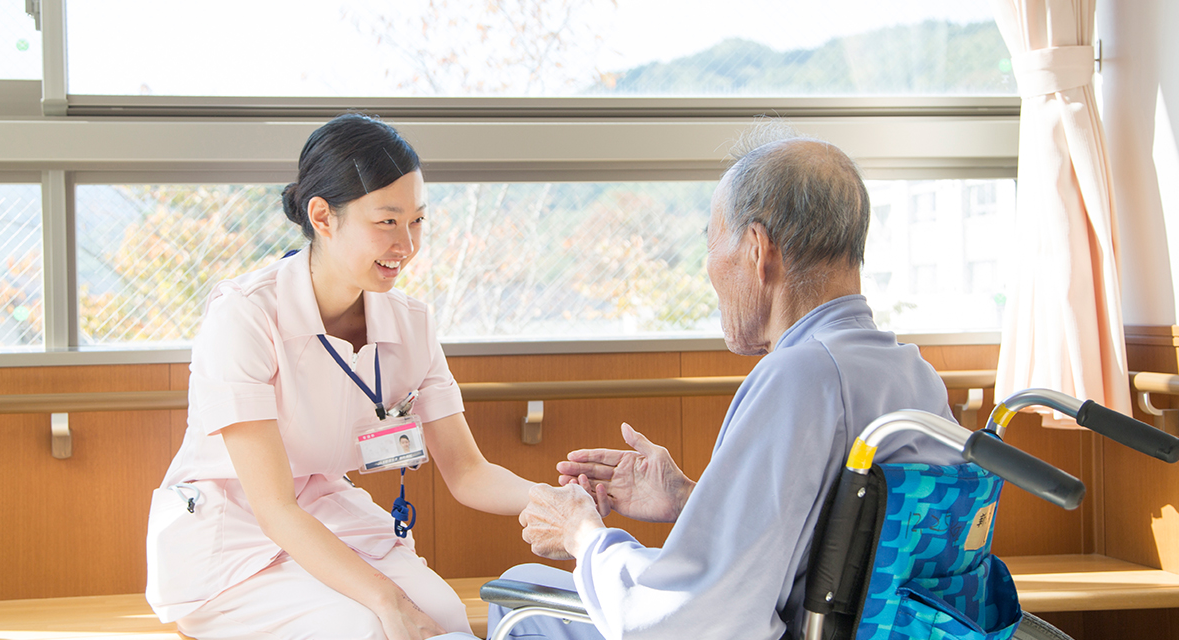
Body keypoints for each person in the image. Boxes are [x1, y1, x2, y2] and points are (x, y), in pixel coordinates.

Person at [500, 125, 965, 640]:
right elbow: (834, 548)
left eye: (711, 242)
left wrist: (580, 532)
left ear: (758, 250)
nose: (708, 269)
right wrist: (689, 499)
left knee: (519, 590)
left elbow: (685, 621)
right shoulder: (913, 373)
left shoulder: (799, 376)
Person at [146, 114, 535, 640]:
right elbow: (274, 506)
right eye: (387, 221)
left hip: (327, 513)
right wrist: (387, 600)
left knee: (443, 618)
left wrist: (558, 502)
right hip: (230, 532)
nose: (407, 244)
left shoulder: (411, 323)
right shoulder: (244, 314)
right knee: (366, 626)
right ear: (323, 217)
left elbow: (468, 473)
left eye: (417, 221)